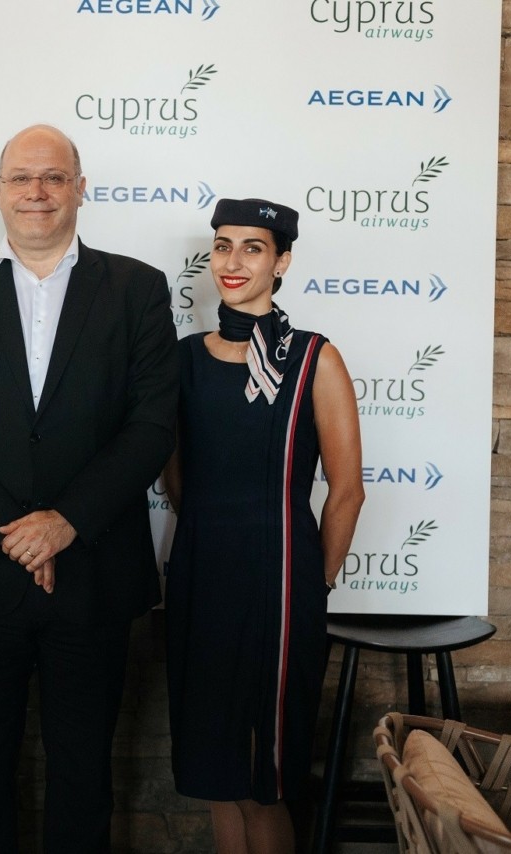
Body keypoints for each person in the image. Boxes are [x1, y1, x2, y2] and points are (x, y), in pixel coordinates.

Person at [0, 124, 179, 852]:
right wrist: (15, 533)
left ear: (80, 189)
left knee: (85, 771)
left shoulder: (138, 289)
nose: (37, 191)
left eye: (54, 177)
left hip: (94, 572)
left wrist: (65, 523)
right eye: (22, 177)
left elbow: (152, 426)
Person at [163, 198, 364, 853]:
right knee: (216, 773)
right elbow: (176, 479)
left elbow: (347, 492)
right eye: (223, 245)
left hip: (280, 587)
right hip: (201, 578)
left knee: (263, 779)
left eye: (253, 247)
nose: (233, 260)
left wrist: (313, 586)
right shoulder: (183, 360)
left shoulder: (315, 359)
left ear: (282, 262)